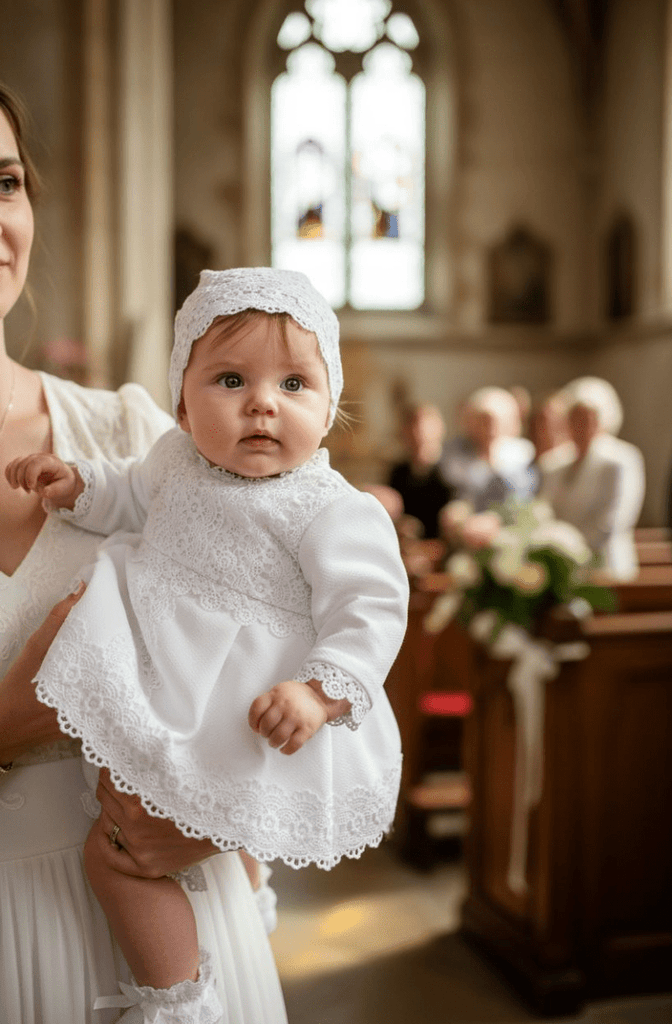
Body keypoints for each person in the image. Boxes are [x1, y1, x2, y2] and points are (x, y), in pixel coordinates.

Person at [8, 267, 408, 1022]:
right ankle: (221, 929)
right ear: (184, 407)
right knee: (125, 844)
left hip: (247, 710)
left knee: (121, 855)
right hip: (176, 690)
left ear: (328, 411)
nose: (262, 402)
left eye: (295, 384)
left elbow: (372, 606)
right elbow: (125, 491)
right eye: (230, 379)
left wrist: (320, 690)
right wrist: (74, 485)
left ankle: (174, 1001)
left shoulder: (328, 508)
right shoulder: (172, 460)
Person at [0, 83, 287, 1024]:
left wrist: (228, 800)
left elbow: (267, 636)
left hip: (176, 908)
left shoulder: (128, 435)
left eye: (3, 182)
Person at [541, 376, 645, 579]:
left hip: (605, 565)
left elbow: (613, 520)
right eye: (576, 417)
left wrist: (572, 550)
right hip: (560, 569)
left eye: (589, 417)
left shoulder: (621, 460)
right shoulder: (553, 463)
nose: (583, 425)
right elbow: (544, 510)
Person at [439, 386, 537, 512]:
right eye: (483, 420)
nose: (490, 427)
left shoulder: (522, 453)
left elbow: (523, 495)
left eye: (495, 421)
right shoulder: (454, 452)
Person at [387, 403, 451, 539]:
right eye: (412, 427)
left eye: (423, 427)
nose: (417, 433)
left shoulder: (451, 471)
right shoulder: (398, 472)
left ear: (439, 429)